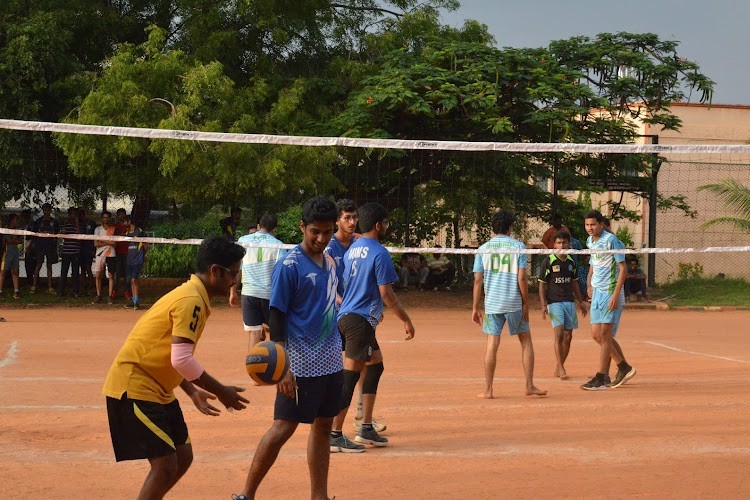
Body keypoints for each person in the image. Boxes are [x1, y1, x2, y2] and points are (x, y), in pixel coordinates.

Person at [102, 236, 249, 500]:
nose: (235, 281)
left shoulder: (194, 296)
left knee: (182, 456)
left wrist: (192, 391)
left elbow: (172, 354)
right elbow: (181, 359)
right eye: (234, 274)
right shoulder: (191, 300)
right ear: (215, 271)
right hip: (135, 384)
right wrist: (222, 391)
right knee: (166, 465)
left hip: (157, 386)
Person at [234, 197, 342, 500]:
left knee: (323, 428)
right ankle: (247, 494)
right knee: (283, 429)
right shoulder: (289, 265)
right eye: (314, 232)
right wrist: (284, 367)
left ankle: (318, 496)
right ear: (302, 227)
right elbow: (277, 315)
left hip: (331, 362)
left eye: (327, 232)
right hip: (300, 366)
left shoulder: (331, 262)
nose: (321, 239)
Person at [329, 202, 415, 452]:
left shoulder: (353, 249)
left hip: (349, 318)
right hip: (358, 321)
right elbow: (386, 294)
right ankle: (334, 434)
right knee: (350, 378)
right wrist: (406, 319)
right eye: (386, 223)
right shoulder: (379, 252)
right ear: (378, 226)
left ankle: (366, 427)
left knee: (375, 366)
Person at [472, 210, 546, 399]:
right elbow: (522, 278)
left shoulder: (483, 248)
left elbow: (478, 280)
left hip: (492, 303)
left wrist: (475, 307)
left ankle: (488, 390)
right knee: (526, 341)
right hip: (513, 302)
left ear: (493, 227)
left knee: (492, 344)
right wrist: (526, 304)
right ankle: (529, 385)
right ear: (510, 227)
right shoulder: (518, 246)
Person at [580, 209, 637, 391]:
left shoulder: (611, 240)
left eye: (593, 224)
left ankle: (602, 376)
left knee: (605, 334)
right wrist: (589, 283)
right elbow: (593, 265)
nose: (590, 228)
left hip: (611, 292)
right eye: (587, 225)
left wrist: (615, 294)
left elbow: (623, 269)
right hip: (597, 292)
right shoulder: (590, 241)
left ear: (601, 224)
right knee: (597, 335)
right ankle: (623, 367)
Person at [230, 213, 286, 350]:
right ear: (274, 230)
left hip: (248, 294)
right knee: (276, 336)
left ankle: (253, 369)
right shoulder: (279, 245)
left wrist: (232, 291)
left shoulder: (243, 240)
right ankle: (278, 369)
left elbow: (237, 269)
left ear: (258, 226)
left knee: (254, 333)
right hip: (270, 296)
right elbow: (282, 274)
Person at [538, 231, 588, 380]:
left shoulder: (571, 261)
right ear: (554, 245)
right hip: (554, 303)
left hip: (569, 302)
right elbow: (542, 285)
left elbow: (574, 282)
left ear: (569, 244)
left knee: (568, 336)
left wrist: (580, 301)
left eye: (564, 243)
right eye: (558, 243)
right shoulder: (548, 261)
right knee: (559, 334)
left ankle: (559, 366)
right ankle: (561, 368)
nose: (561, 245)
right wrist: (543, 304)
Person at [30, 202, 60, 293]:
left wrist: (54, 244)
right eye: (45, 209)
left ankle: (50, 286)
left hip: (50, 246)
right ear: (43, 210)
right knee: (38, 264)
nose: (46, 211)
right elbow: (33, 234)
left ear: (50, 210)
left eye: (48, 209)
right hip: (40, 246)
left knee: (49, 265)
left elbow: (57, 234)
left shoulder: (54, 222)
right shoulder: (38, 221)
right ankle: (34, 285)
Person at [124, 215, 148, 310]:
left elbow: (146, 245)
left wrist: (142, 255)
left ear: (129, 221)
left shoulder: (140, 231)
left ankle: (136, 301)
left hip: (138, 260)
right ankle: (134, 301)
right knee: (131, 280)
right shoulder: (126, 234)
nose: (123, 224)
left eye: (124, 222)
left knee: (134, 280)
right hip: (130, 260)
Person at [57, 207, 82, 297]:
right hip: (66, 251)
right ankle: (61, 291)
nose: (73, 215)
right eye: (71, 213)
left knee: (75, 273)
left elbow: (79, 236)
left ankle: (75, 291)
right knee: (64, 272)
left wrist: (77, 225)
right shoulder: (65, 223)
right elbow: (63, 235)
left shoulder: (78, 224)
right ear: (69, 214)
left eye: (75, 214)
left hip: (75, 251)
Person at [93, 211, 117, 304]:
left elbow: (114, 243)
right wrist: (108, 241)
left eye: (107, 217)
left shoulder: (113, 229)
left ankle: (110, 296)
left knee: (111, 275)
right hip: (100, 255)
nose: (106, 219)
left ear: (110, 218)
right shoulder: (97, 229)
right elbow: (96, 243)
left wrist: (102, 241)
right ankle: (98, 295)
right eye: (104, 217)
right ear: (102, 218)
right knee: (98, 275)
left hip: (111, 254)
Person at [0, 214, 22, 299]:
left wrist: (15, 241)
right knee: (3, 272)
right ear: (12, 220)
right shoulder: (6, 230)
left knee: (15, 271)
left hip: (15, 252)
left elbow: (19, 241)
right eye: (16, 219)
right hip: (7, 252)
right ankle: (0, 292)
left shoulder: (16, 230)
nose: (17, 221)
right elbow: (9, 241)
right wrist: (16, 241)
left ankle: (16, 292)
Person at [78, 208, 98, 295]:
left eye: (83, 215)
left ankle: (91, 285)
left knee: (88, 267)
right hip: (80, 248)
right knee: (82, 268)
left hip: (89, 248)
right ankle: (83, 285)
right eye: (80, 215)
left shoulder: (92, 223)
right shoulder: (79, 223)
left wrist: (94, 249)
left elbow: (95, 237)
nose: (82, 217)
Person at [114, 208, 130, 304]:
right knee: (117, 274)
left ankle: (127, 291)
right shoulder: (116, 227)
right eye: (119, 214)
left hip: (128, 253)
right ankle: (115, 291)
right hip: (118, 252)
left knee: (127, 274)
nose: (121, 216)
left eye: (122, 214)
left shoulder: (129, 226)